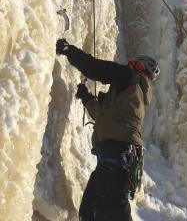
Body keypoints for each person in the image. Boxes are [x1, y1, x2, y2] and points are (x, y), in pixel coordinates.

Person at [56, 39, 160, 221]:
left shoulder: (130, 77)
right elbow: (106, 116)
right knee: (89, 210)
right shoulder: (135, 94)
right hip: (115, 157)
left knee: (111, 210)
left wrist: (69, 51)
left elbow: (96, 69)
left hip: (117, 155)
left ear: (140, 66)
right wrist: (86, 97)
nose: (129, 64)